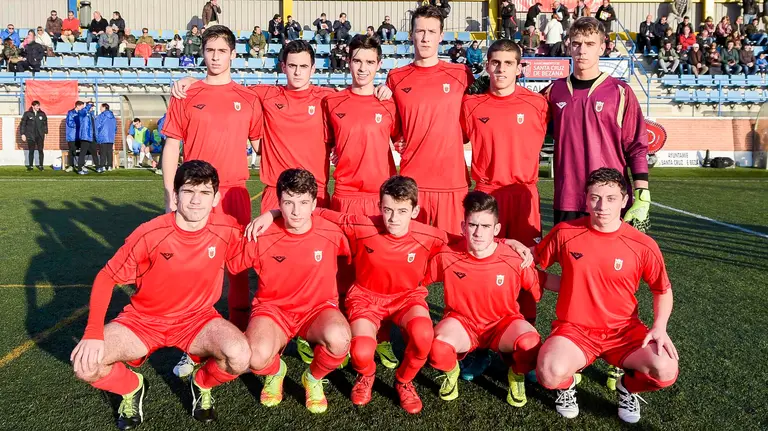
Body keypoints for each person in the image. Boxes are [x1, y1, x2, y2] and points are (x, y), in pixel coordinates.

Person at [71, 161, 252, 429]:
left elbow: (269, 241)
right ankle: (131, 387)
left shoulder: (226, 228)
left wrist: (271, 214)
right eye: (188, 191)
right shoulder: (150, 232)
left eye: (204, 193)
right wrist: (93, 331)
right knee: (84, 366)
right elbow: (106, 276)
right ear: (175, 196)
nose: (195, 201)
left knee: (239, 356)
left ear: (216, 198)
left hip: (197, 319)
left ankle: (201, 383)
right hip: (143, 320)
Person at [542, 17, 651, 388]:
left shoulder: (620, 92)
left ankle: (618, 355)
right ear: (567, 47)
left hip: (609, 202)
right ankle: (572, 344)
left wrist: (642, 191)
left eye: (589, 44)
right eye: (575, 43)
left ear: (603, 47)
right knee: (573, 276)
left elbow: (637, 144)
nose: (581, 50)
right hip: (570, 197)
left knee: (615, 277)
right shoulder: (554, 91)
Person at [534, 167, 679, 423]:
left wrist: (660, 327)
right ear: (586, 199)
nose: (602, 206)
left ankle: (628, 387)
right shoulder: (565, 232)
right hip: (575, 330)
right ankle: (566, 387)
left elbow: (662, 289)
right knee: (548, 373)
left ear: (625, 201)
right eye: (595, 197)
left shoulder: (642, 244)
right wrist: (506, 246)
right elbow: (534, 263)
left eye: (611, 198)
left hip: (623, 331)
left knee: (666, 370)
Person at [162, 26, 263, 355]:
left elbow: (262, 146)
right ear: (202, 53)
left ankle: (238, 331)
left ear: (233, 54)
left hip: (234, 192)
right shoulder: (185, 94)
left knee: (237, 265)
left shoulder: (248, 99)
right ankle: (191, 336)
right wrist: (170, 194)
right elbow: (172, 145)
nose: (216, 57)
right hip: (195, 194)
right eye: (210, 51)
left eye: (222, 51)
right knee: (194, 266)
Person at [227, 168, 351, 414]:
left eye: (304, 203)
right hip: (274, 311)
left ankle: (313, 379)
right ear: (279, 203)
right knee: (255, 357)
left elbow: (353, 253)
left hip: (318, 309)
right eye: (288, 203)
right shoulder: (261, 235)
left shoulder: (331, 232)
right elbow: (231, 263)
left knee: (340, 339)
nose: (296, 211)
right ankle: (276, 371)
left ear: (314, 203)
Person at [426, 191, 541, 407]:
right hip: (463, 324)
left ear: (496, 229)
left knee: (530, 343)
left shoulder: (514, 258)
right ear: (463, 227)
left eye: (486, 226)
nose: (478, 233)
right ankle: (452, 372)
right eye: (473, 225)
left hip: (502, 324)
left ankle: (516, 375)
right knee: (437, 349)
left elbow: (536, 290)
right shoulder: (447, 255)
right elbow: (418, 283)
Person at [385, 5, 474, 235]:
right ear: (411, 34)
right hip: (413, 184)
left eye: (432, 32)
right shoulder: (395, 78)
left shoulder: (461, 74)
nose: (425, 38)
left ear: (441, 36)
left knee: (453, 254)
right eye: (420, 31)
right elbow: (392, 126)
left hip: (452, 183)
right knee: (413, 257)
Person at [20, 101, 48, 171]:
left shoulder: (42, 114)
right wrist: (22, 134)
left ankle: (41, 165)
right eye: (36, 106)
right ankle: (30, 166)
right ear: (32, 106)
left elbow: (45, 124)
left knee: (40, 150)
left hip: (40, 136)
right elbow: (22, 124)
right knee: (31, 151)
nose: (38, 107)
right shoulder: (27, 114)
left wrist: (45, 133)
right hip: (30, 135)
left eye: (38, 106)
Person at [95, 103, 117, 172]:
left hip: (103, 136)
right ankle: (109, 166)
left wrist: (96, 136)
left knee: (103, 152)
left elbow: (97, 126)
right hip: (110, 137)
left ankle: (102, 166)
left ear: (104, 108)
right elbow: (115, 128)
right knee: (109, 152)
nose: (100, 109)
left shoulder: (101, 116)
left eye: (101, 107)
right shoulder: (113, 117)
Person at [76, 102, 96, 174]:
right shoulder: (82, 112)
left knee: (94, 151)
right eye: (91, 106)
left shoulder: (91, 114)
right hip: (85, 136)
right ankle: (79, 169)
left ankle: (98, 167)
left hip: (91, 136)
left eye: (92, 107)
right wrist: (88, 106)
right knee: (83, 152)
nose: (92, 108)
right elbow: (83, 112)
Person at [64, 101, 82, 172]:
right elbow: (70, 123)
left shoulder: (81, 113)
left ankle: (81, 165)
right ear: (78, 106)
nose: (82, 108)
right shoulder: (71, 113)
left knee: (81, 151)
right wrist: (80, 125)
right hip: (72, 136)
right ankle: (71, 165)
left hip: (79, 136)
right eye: (81, 106)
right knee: (72, 151)